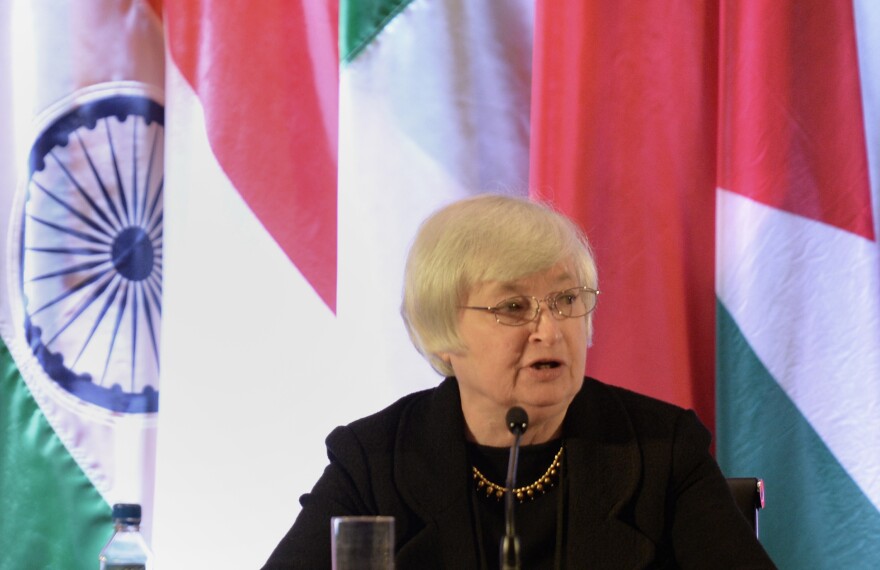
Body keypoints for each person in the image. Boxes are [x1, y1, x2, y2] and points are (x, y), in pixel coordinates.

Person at [262, 194, 776, 569]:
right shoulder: (376, 460)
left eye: (567, 300)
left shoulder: (660, 450)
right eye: (513, 307)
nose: (549, 330)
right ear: (442, 331)